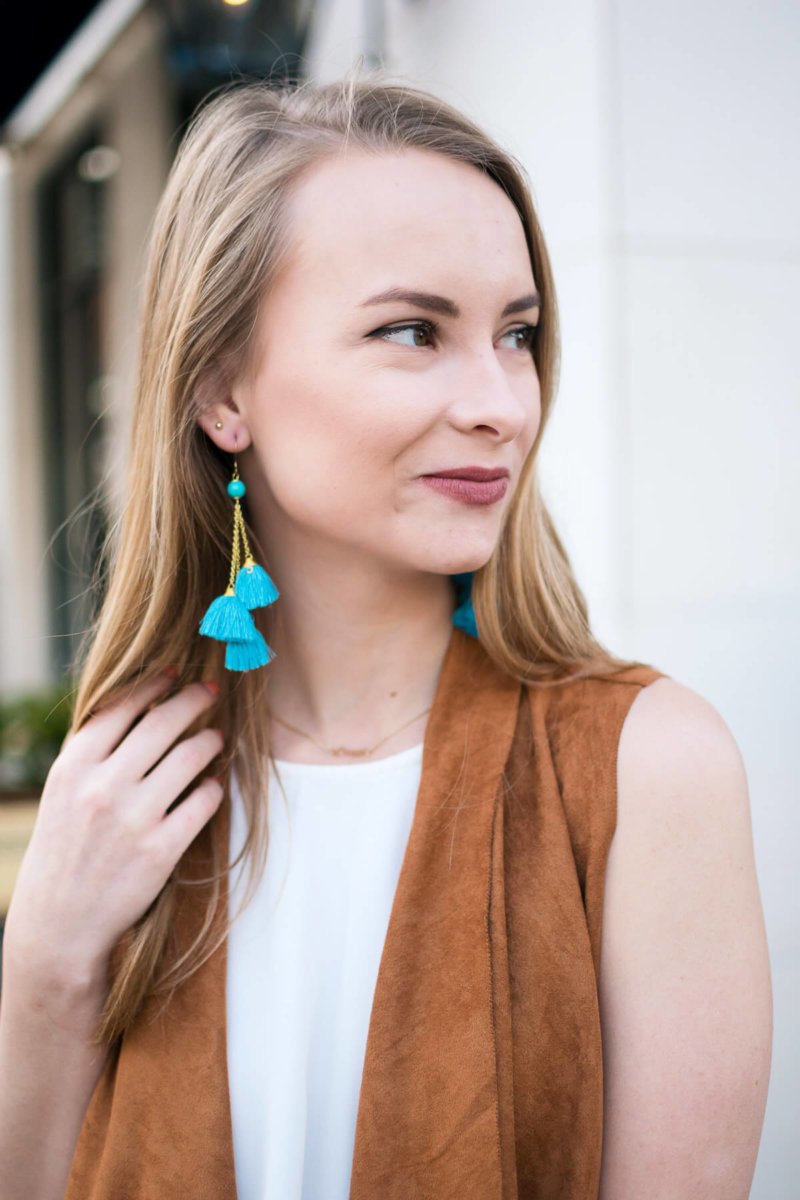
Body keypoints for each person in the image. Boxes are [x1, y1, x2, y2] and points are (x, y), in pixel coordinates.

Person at [0, 68, 772, 1199]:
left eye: (516, 333)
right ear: (222, 390)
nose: (502, 404)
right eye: (413, 331)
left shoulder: (643, 769)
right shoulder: (127, 785)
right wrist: (47, 967)